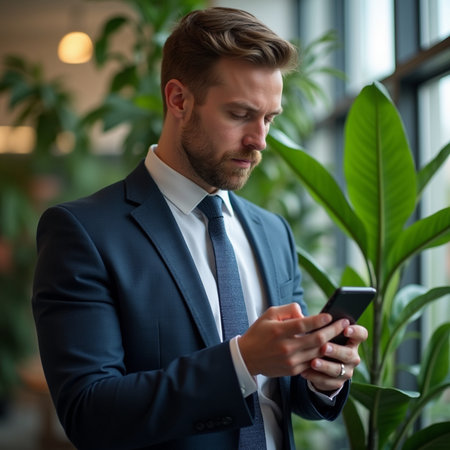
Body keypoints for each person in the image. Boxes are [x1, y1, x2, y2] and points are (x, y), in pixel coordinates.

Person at [32, 7, 368, 450]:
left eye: (269, 118)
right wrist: (241, 361)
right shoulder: (83, 232)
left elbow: (287, 395)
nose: (260, 140)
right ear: (178, 100)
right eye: (240, 114)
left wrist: (324, 375)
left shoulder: (272, 232)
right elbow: (89, 414)